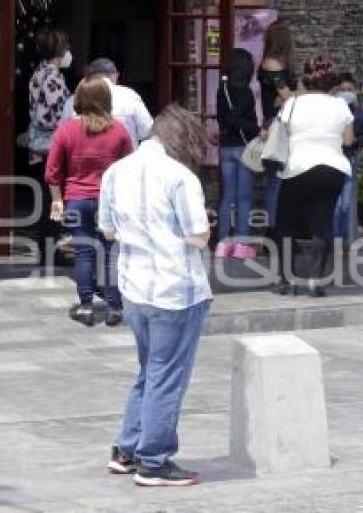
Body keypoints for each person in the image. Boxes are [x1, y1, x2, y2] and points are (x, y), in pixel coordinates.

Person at [99, 104, 212, 487]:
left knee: (150, 371)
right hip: (175, 289)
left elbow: (108, 231)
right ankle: (154, 459)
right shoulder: (180, 177)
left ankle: (128, 448)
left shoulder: (115, 171)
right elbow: (199, 236)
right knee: (167, 376)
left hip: (133, 287)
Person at [46, 76, 133, 327]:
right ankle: (114, 306)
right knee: (110, 253)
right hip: (109, 199)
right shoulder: (118, 131)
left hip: (76, 198)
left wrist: (56, 199)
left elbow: (53, 169)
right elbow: (130, 167)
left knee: (84, 252)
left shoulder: (67, 130)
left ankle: (86, 306)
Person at [273, 56, 356, 297]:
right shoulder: (341, 105)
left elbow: (282, 134)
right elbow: (348, 140)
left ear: (305, 79)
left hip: (299, 166)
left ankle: (286, 279)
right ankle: (316, 281)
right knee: (323, 223)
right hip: (333, 167)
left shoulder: (293, 104)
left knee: (285, 222)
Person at [28, 30, 72, 264]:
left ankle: (46, 247)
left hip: (38, 148)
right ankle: (50, 250)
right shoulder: (53, 77)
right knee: (53, 197)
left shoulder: (38, 73)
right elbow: (51, 115)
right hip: (51, 147)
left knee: (44, 197)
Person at [214, 49, 260, 260]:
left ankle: (222, 243)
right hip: (244, 147)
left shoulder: (221, 90)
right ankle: (241, 244)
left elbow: (223, 120)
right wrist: (257, 130)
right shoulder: (246, 92)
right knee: (244, 198)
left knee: (227, 198)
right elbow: (247, 124)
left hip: (226, 147)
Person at [258, 20, 297, 232]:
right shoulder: (273, 65)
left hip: (277, 121)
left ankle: (279, 228)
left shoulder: (270, 64)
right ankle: (275, 229)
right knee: (277, 181)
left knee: (280, 180)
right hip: (277, 125)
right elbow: (286, 96)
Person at [61, 57, 153, 147]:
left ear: (88, 76)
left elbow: (63, 134)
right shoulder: (129, 95)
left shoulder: (73, 99)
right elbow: (147, 131)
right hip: (125, 158)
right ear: (116, 75)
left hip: (83, 158)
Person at [332, 73, 363, 246]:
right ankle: (335, 240)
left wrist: (353, 140)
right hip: (332, 157)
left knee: (346, 203)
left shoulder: (361, 115)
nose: (346, 93)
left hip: (349, 158)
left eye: (349, 90)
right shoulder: (331, 112)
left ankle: (344, 239)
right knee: (335, 203)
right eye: (343, 90)